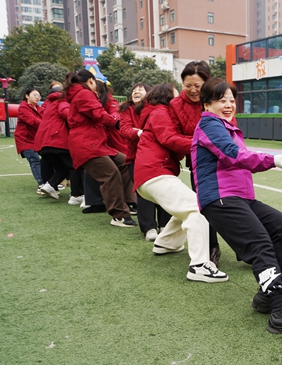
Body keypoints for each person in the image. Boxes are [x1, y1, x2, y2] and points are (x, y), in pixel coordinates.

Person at [191, 78, 282, 339]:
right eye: (221, 100)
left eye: (231, 100)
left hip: (240, 197)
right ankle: (280, 310)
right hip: (219, 198)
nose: (228, 105)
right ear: (207, 104)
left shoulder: (228, 127)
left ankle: (265, 296)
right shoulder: (208, 123)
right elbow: (231, 155)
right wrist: (271, 159)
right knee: (260, 243)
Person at [134, 83, 227, 283]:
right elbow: (169, 138)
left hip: (152, 174)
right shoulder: (160, 111)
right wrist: (205, 142)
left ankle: (166, 242)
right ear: (167, 98)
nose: (180, 102)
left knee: (186, 205)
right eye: (177, 98)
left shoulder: (157, 112)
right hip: (154, 173)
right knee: (197, 207)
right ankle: (200, 265)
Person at [64, 69, 137, 228]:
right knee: (110, 174)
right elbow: (98, 114)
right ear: (91, 81)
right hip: (88, 145)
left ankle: (128, 203)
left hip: (95, 143)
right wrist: (117, 123)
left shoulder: (79, 94)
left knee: (125, 162)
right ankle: (119, 215)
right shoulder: (83, 94)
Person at [170, 60, 221, 265]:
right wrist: (199, 144)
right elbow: (174, 136)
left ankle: (246, 248)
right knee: (206, 208)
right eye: (187, 85)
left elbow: (230, 125)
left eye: (197, 86)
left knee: (236, 206)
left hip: (225, 161)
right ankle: (211, 248)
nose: (192, 90)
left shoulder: (218, 98)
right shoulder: (175, 105)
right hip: (198, 165)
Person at [119, 82, 170, 241]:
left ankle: (165, 225)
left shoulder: (157, 109)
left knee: (163, 190)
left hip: (159, 157)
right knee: (143, 192)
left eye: (140, 89)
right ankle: (149, 227)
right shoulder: (127, 110)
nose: (136, 92)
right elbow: (125, 129)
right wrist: (141, 133)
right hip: (135, 157)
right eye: (134, 90)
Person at [33, 82, 84, 203]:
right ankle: (76, 195)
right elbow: (66, 113)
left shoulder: (49, 104)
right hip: (57, 139)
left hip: (44, 141)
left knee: (62, 168)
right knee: (74, 166)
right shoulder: (62, 101)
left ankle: (49, 185)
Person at [14, 88, 44, 192]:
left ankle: (50, 182)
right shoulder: (23, 108)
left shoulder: (39, 108)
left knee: (48, 158)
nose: (37, 97)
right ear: (27, 96)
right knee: (34, 159)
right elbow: (33, 121)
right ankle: (41, 183)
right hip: (25, 139)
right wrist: (47, 125)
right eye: (35, 95)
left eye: (39, 96)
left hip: (36, 139)